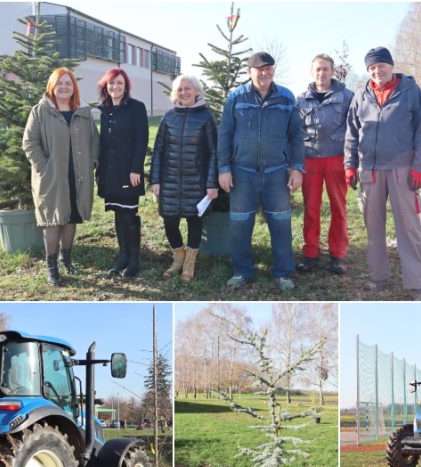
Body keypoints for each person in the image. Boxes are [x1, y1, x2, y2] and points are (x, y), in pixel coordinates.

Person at [345, 47, 421, 300]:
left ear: (391, 66)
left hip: (402, 169)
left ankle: (417, 284)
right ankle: (378, 276)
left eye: (381, 65)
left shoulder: (410, 91)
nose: (376, 71)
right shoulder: (361, 95)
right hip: (369, 169)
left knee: (410, 226)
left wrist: (418, 167)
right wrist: (349, 165)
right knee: (374, 227)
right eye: (371, 68)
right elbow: (351, 132)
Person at [217, 51, 305, 292]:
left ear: (273, 71)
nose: (264, 72)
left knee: (280, 224)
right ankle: (242, 271)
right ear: (249, 72)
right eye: (259, 69)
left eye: (268, 68)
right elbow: (224, 134)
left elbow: (296, 135)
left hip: (276, 172)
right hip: (242, 172)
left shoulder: (286, 98)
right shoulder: (236, 97)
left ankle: (283, 272)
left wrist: (297, 168)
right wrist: (224, 169)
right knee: (240, 225)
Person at [22, 67, 99, 287]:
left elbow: (95, 141)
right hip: (52, 176)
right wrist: (43, 167)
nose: (64, 87)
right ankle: (51, 266)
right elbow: (30, 142)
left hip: (78, 174)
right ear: (52, 87)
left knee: (71, 216)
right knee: (52, 219)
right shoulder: (40, 111)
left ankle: (67, 259)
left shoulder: (83, 113)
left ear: (73, 87)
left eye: (68, 83)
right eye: (59, 83)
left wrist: (91, 163)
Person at [150, 74, 219, 282]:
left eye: (188, 88)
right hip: (169, 180)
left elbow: (213, 152)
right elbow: (159, 150)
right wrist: (155, 180)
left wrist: (211, 183)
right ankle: (178, 258)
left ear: (196, 91)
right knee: (170, 221)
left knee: (194, 221)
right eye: (179, 89)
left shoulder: (206, 117)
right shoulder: (169, 117)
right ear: (175, 93)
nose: (184, 92)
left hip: (196, 181)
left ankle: (190, 262)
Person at [296, 54, 354, 275]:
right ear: (312, 72)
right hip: (310, 159)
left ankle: (338, 254)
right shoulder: (301, 100)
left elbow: (354, 130)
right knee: (311, 208)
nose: (322, 73)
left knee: (338, 208)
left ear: (333, 71)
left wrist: (352, 160)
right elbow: (296, 131)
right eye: (318, 69)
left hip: (336, 159)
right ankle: (311, 253)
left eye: (325, 69)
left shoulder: (347, 97)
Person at [96, 68, 148, 278]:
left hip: (128, 171)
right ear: (105, 86)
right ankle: (122, 257)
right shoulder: (104, 109)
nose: (115, 87)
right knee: (118, 214)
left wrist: (136, 168)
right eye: (111, 83)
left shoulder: (136, 108)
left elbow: (142, 139)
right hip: (110, 171)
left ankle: (134, 260)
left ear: (125, 86)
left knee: (128, 214)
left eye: (119, 83)